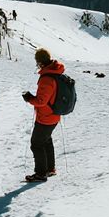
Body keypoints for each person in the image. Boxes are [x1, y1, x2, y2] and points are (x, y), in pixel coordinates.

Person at [22, 47, 65, 182]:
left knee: (36, 144)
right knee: (46, 140)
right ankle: (50, 169)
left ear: (40, 62)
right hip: (53, 115)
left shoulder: (47, 78)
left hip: (46, 117)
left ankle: (41, 173)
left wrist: (29, 98)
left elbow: (41, 101)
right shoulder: (54, 72)